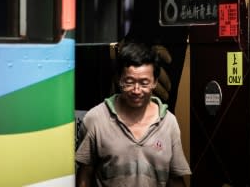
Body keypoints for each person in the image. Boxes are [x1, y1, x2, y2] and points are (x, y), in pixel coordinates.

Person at [75, 41, 191, 187]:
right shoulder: (96, 119)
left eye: (144, 83)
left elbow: (175, 179)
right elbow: (85, 173)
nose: (136, 90)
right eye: (129, 82)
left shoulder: (169, 123)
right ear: (119, 80)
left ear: (155, 82)